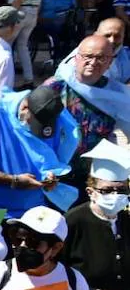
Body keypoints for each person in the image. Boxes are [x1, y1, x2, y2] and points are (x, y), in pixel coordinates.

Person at [62, 142, 130, 290]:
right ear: (91, 191)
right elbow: (56, 268)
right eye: (108, 190)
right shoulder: (73, 221)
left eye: (121, 190)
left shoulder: (125, 220)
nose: (115, 196)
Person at [0, 85, 76, 218]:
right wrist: (13, 181)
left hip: (36, 212)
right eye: (35, 124)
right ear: (25, 108)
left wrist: (51, 179)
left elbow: (50, 160)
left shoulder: (55, 118)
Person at [47, 35, 130, 188]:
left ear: (110, 62)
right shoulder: (54, 88)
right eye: (88, 56)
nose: (93, 62)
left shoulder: (117, 95)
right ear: (76, 58)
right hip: (54, 172)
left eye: (101, 58)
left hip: (93, 175)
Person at [8, 0, 47, 86]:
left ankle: (7, 79)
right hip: (32, 12)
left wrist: (9, 16)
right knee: (22, 46)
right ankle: (28, 78)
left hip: (21, 11)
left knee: (6, 45)